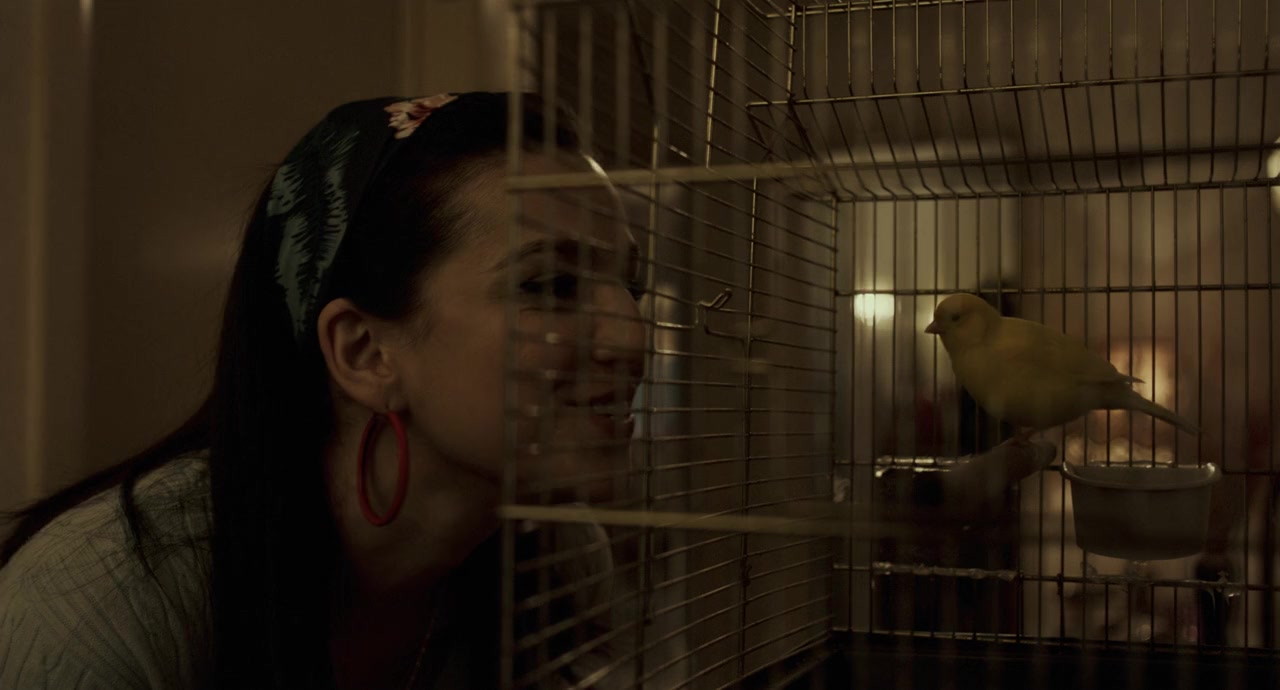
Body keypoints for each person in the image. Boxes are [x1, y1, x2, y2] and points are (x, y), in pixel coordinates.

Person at [0, 92, 646, 689]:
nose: (631, 336)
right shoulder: (103, 599)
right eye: (549, 286)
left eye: (631, 286)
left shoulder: (556, 565)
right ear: (365, 353)